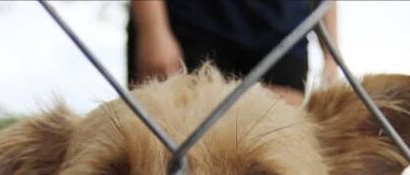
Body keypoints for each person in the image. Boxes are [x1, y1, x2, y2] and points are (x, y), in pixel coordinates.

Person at [127, 0, 338, 105]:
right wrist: (153, 28)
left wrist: (332, 51)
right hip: (191, 24)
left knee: (277, 143)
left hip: (283, 30)